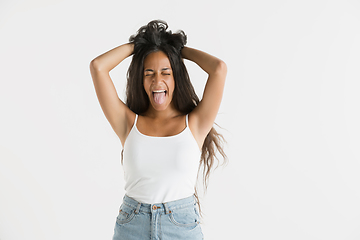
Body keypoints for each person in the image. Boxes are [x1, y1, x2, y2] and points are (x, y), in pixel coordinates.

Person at [90, 20, 227, 240]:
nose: (157, 80)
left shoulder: (195, 123)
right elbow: (98, 66)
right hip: (132, 224)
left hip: (180, 226)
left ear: (176, 77)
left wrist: (176, 49)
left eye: (166, 72)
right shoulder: (128, 123)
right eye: (149, 73)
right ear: (141, 80)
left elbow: (219, 69)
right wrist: (141, 46)